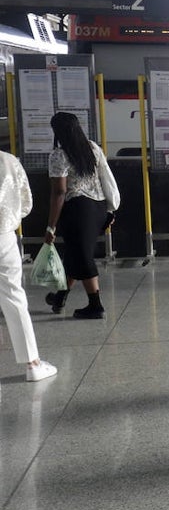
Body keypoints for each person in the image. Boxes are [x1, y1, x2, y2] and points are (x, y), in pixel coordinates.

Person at [43, 111, 119, 319]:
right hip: (99, 209)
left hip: (78, 210)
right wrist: (110, 210)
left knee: (82, 256)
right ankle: (60, 296)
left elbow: (59, 193)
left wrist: (51, 226)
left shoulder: (59, 155)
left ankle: (96, 305)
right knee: (75, 253)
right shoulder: (92, 148)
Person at [0, 151, 56, 381]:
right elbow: (26, 204)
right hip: (2, 236)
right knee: (13, 295)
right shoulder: (7, 161)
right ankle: (33, 364)